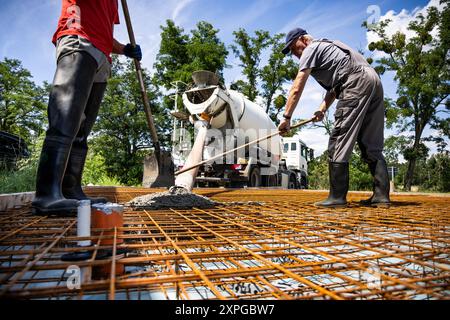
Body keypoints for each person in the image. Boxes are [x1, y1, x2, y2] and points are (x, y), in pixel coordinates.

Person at [32, 0, 142, 216]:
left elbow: (101, 29)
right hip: (79, 42)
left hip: (102, 56)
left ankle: (71, 190)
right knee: (65, 119)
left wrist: (125, 49)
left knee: (81, 131)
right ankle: (46, 195)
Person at [278, 28, 390, 208]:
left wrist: (287, 117)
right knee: (371, 143)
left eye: (294, 47)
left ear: (304, 39)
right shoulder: (330, 47)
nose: (294, 54)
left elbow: (297, 86)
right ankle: (381, 196)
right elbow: (336, 87)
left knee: (339, 139)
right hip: (373, 81)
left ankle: (337, 198)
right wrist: (322, 109)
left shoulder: (310, 49)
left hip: (356, 82)